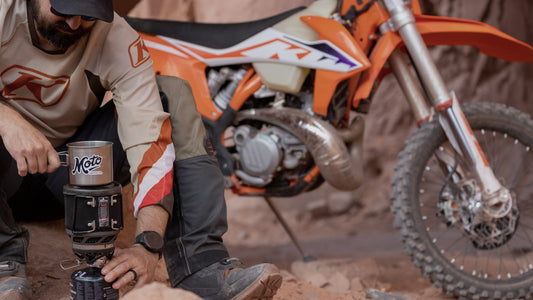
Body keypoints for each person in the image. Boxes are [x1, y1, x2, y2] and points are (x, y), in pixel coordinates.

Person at [0, 0, 282, 299]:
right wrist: (8, 120)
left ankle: (200, 266)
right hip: (6, 173)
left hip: (66, 176)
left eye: (87, 15)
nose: (74, 24)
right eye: (65, 10)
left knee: (172, 95)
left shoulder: (117, 39)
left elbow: (149, 141)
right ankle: (4, 262)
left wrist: (147, 245)